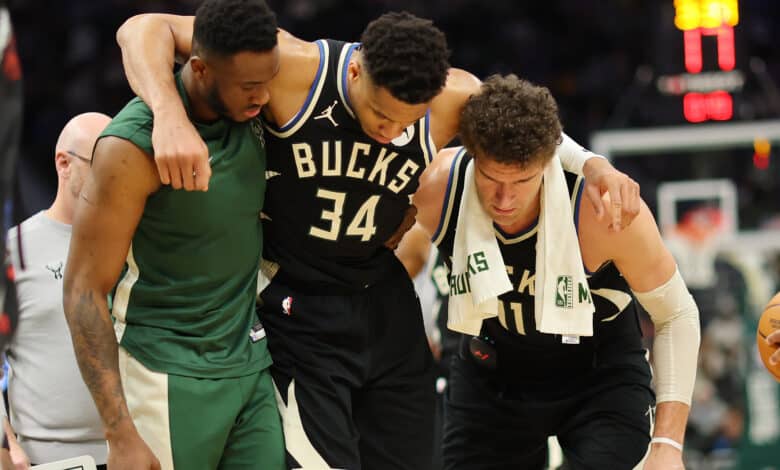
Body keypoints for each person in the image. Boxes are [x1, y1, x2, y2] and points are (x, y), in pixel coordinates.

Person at [114, 11, 643, 470]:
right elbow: (145, 28)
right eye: (380, 114)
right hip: (298, 305)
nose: (391, 132)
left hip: (383, 299)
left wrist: (593, 165)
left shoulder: (450, 97)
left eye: (405, 121)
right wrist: (165, 112)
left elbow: (528, 121)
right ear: (356, 69)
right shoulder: (295, 69)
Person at [413, 75, 701, 470]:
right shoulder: (437, 189)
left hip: (598, 376)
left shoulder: (601, 210)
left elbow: (677, 313)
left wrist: (668, 444)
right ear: (473, 157)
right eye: (492, 179)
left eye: (522, 181)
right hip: (491, 375)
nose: (504, 199)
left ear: (550, 161)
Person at [62, 1, 284, 469]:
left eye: (269, 81)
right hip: (165, 373)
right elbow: (82, 290)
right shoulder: (130, 147)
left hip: (250, 364)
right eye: (249, 86)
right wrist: (119, 433)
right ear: (200, 69)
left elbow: (152, 27)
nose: (264, 97)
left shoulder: (251, 107)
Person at [5, 113, 111, 470]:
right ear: (64, 163)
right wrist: (6, 448)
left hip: (140, 449)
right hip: (48, 458)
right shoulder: (15, 250)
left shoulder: (138, 244)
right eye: (102, 164)